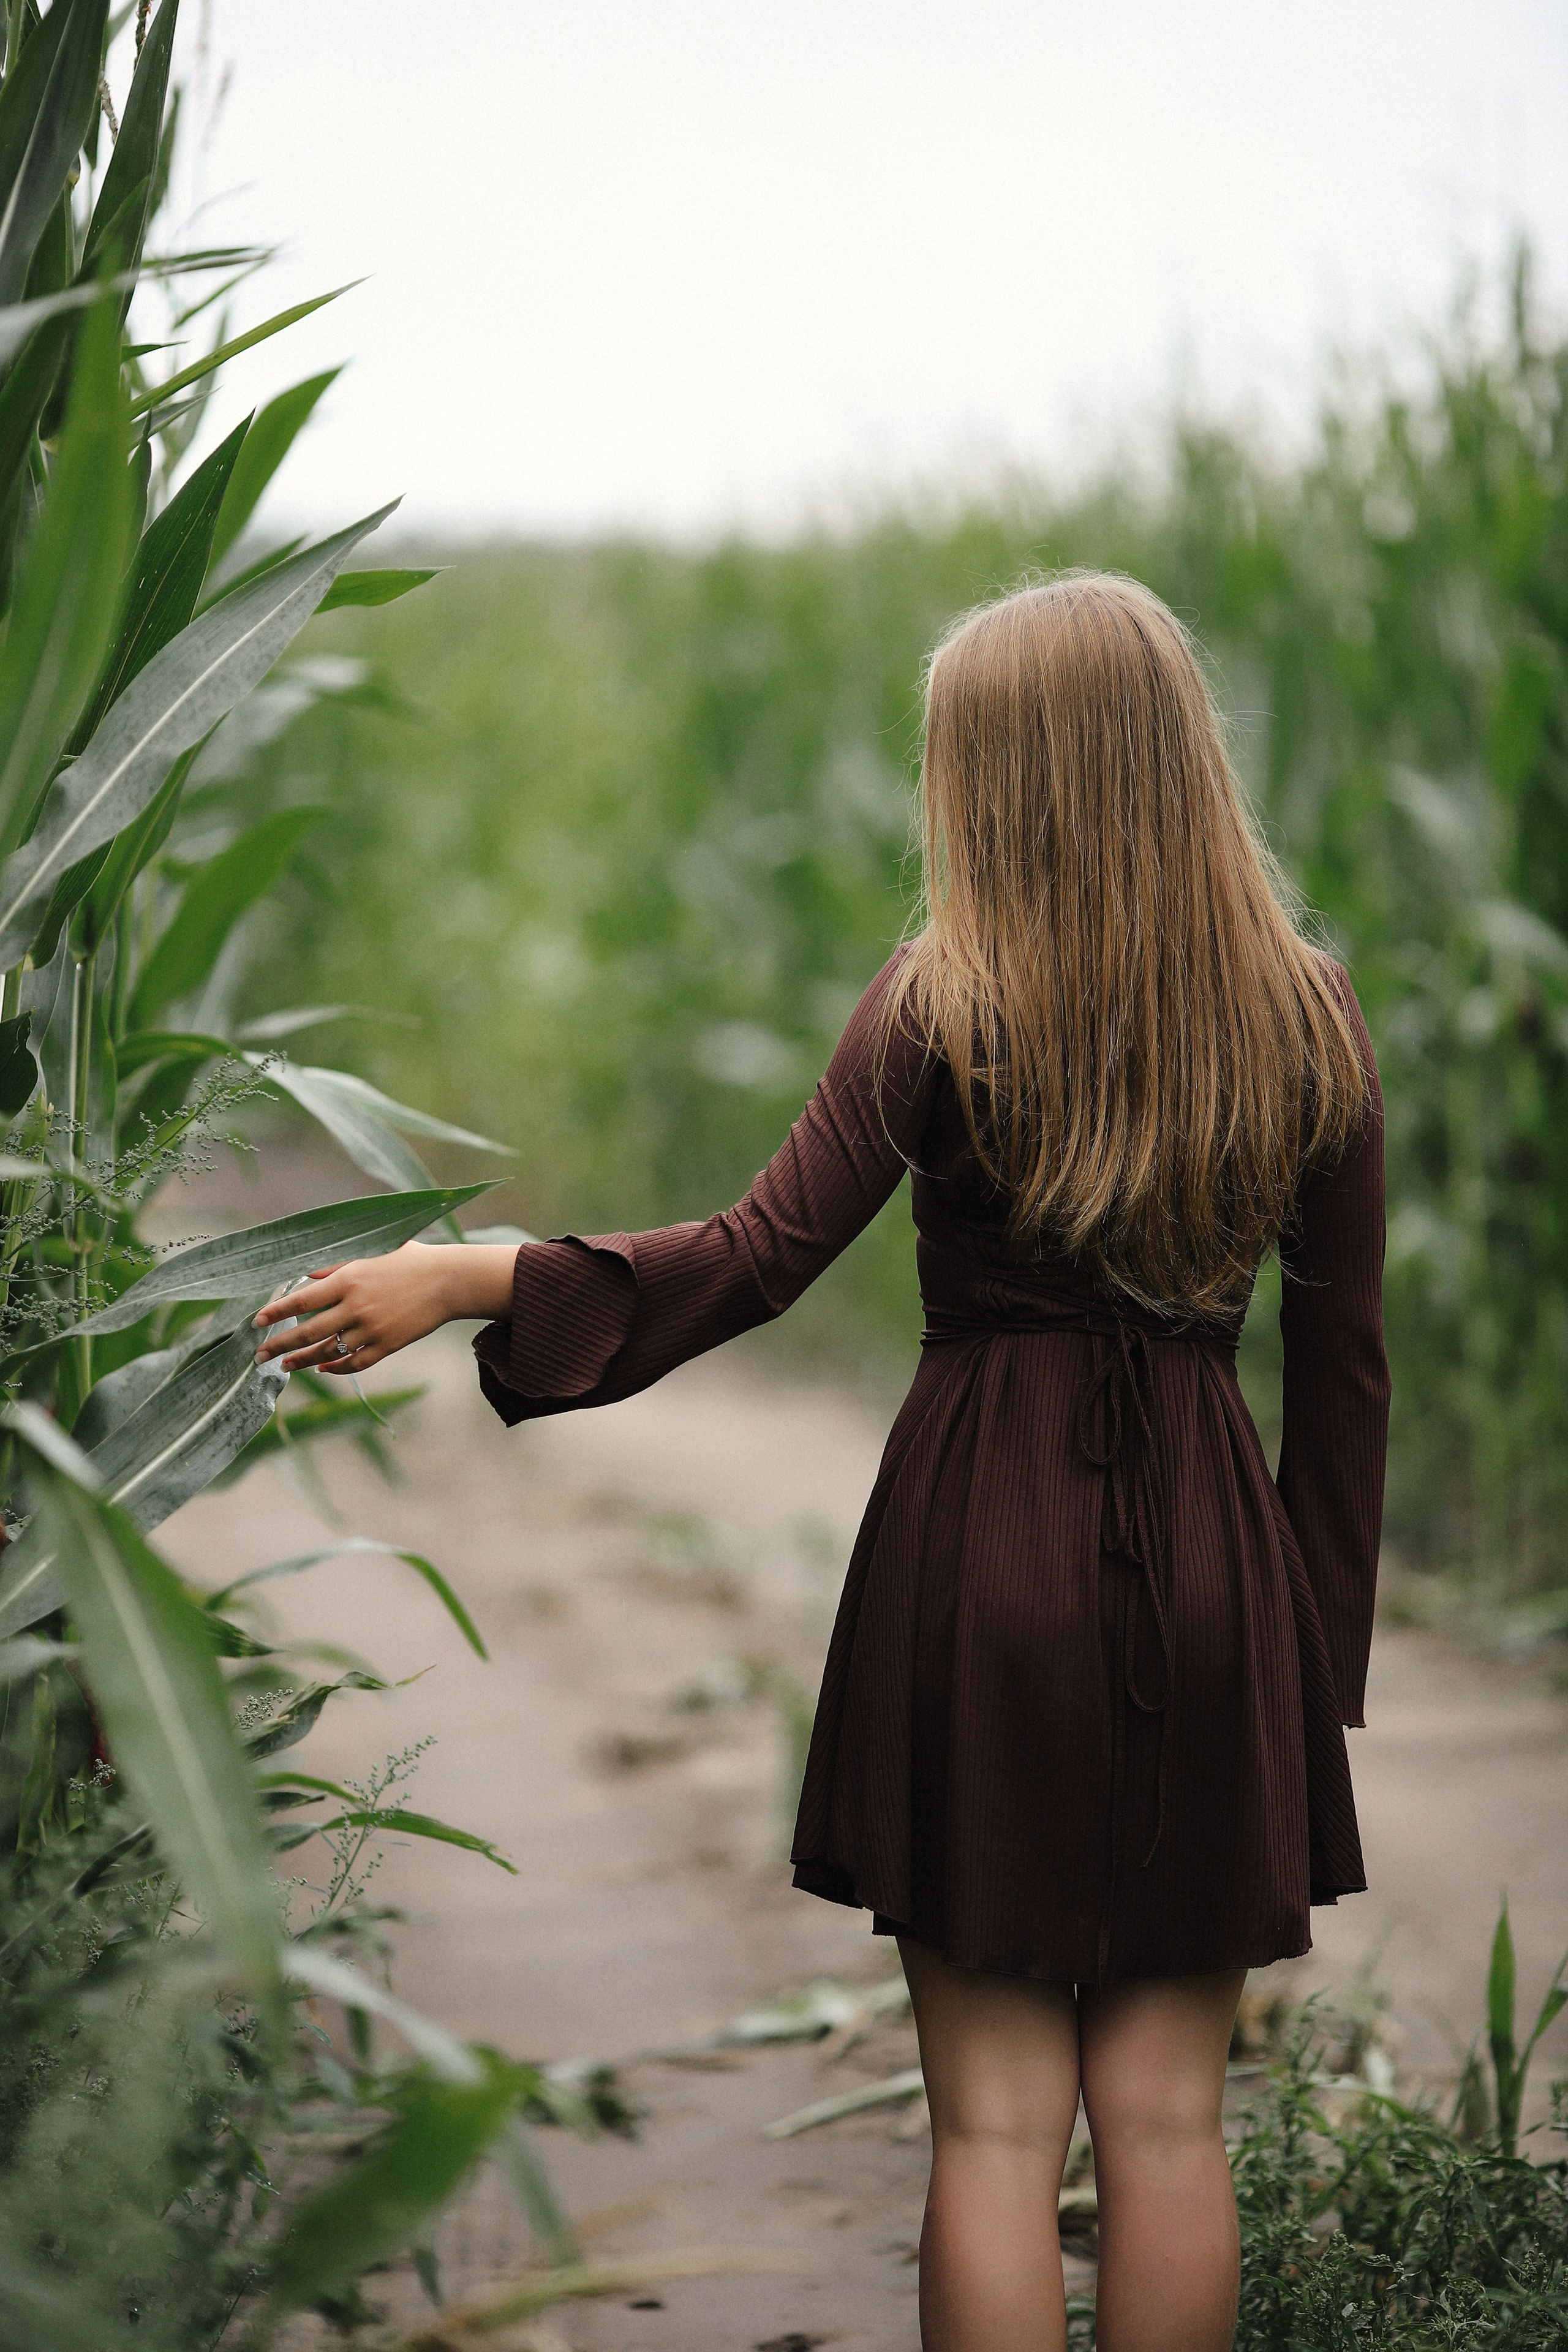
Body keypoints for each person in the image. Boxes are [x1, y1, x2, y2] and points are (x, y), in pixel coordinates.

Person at [255, 573, 1389, 2352]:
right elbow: (1347, 1380)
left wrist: (469, 1275)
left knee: (996, 2131)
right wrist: (1307, 1668)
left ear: (993, 787)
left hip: (979, 1562)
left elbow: (754, 1258)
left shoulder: (944, 1002)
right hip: (1212, 1573)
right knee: (1172, 2129)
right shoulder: (1310, 1015)